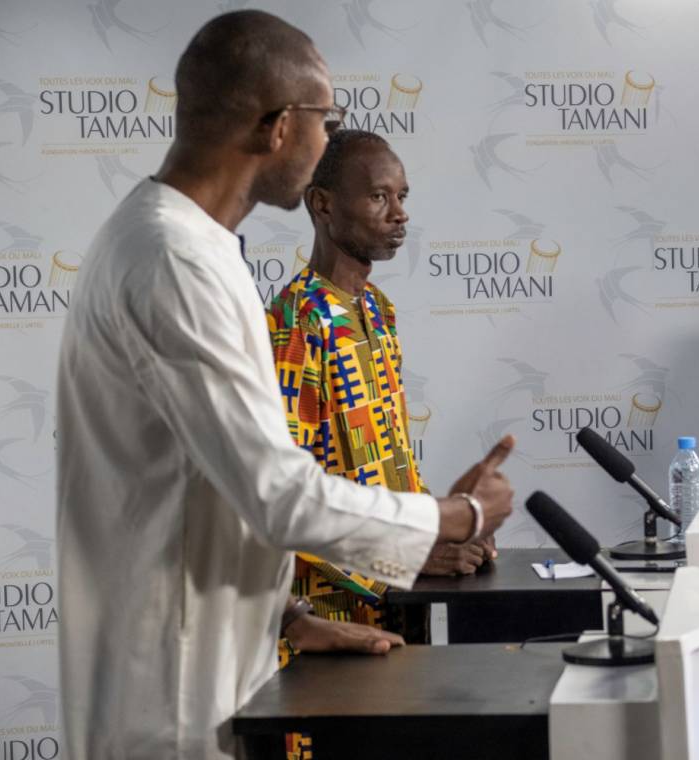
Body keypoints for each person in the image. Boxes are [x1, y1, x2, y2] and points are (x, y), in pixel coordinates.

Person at [55, 11, 512, 759]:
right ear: (276, 127)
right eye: (323, 122)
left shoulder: (190, 248)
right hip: (168, 704)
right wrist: (452, 518)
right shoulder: (174, 262)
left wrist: (289, 621)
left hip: (223, 670)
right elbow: (278, 492)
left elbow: (210, 489)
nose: (328, 142)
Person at [267, 129, 501, 657]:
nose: (399, 214)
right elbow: (283, 495)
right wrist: (399, 556)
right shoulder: (297, 322)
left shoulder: (378, 310)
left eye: (402, 197)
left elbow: (391, 457)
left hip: (398, 604)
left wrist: (436, 533)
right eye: (378, 196)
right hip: (324, 622)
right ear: (322, 204)